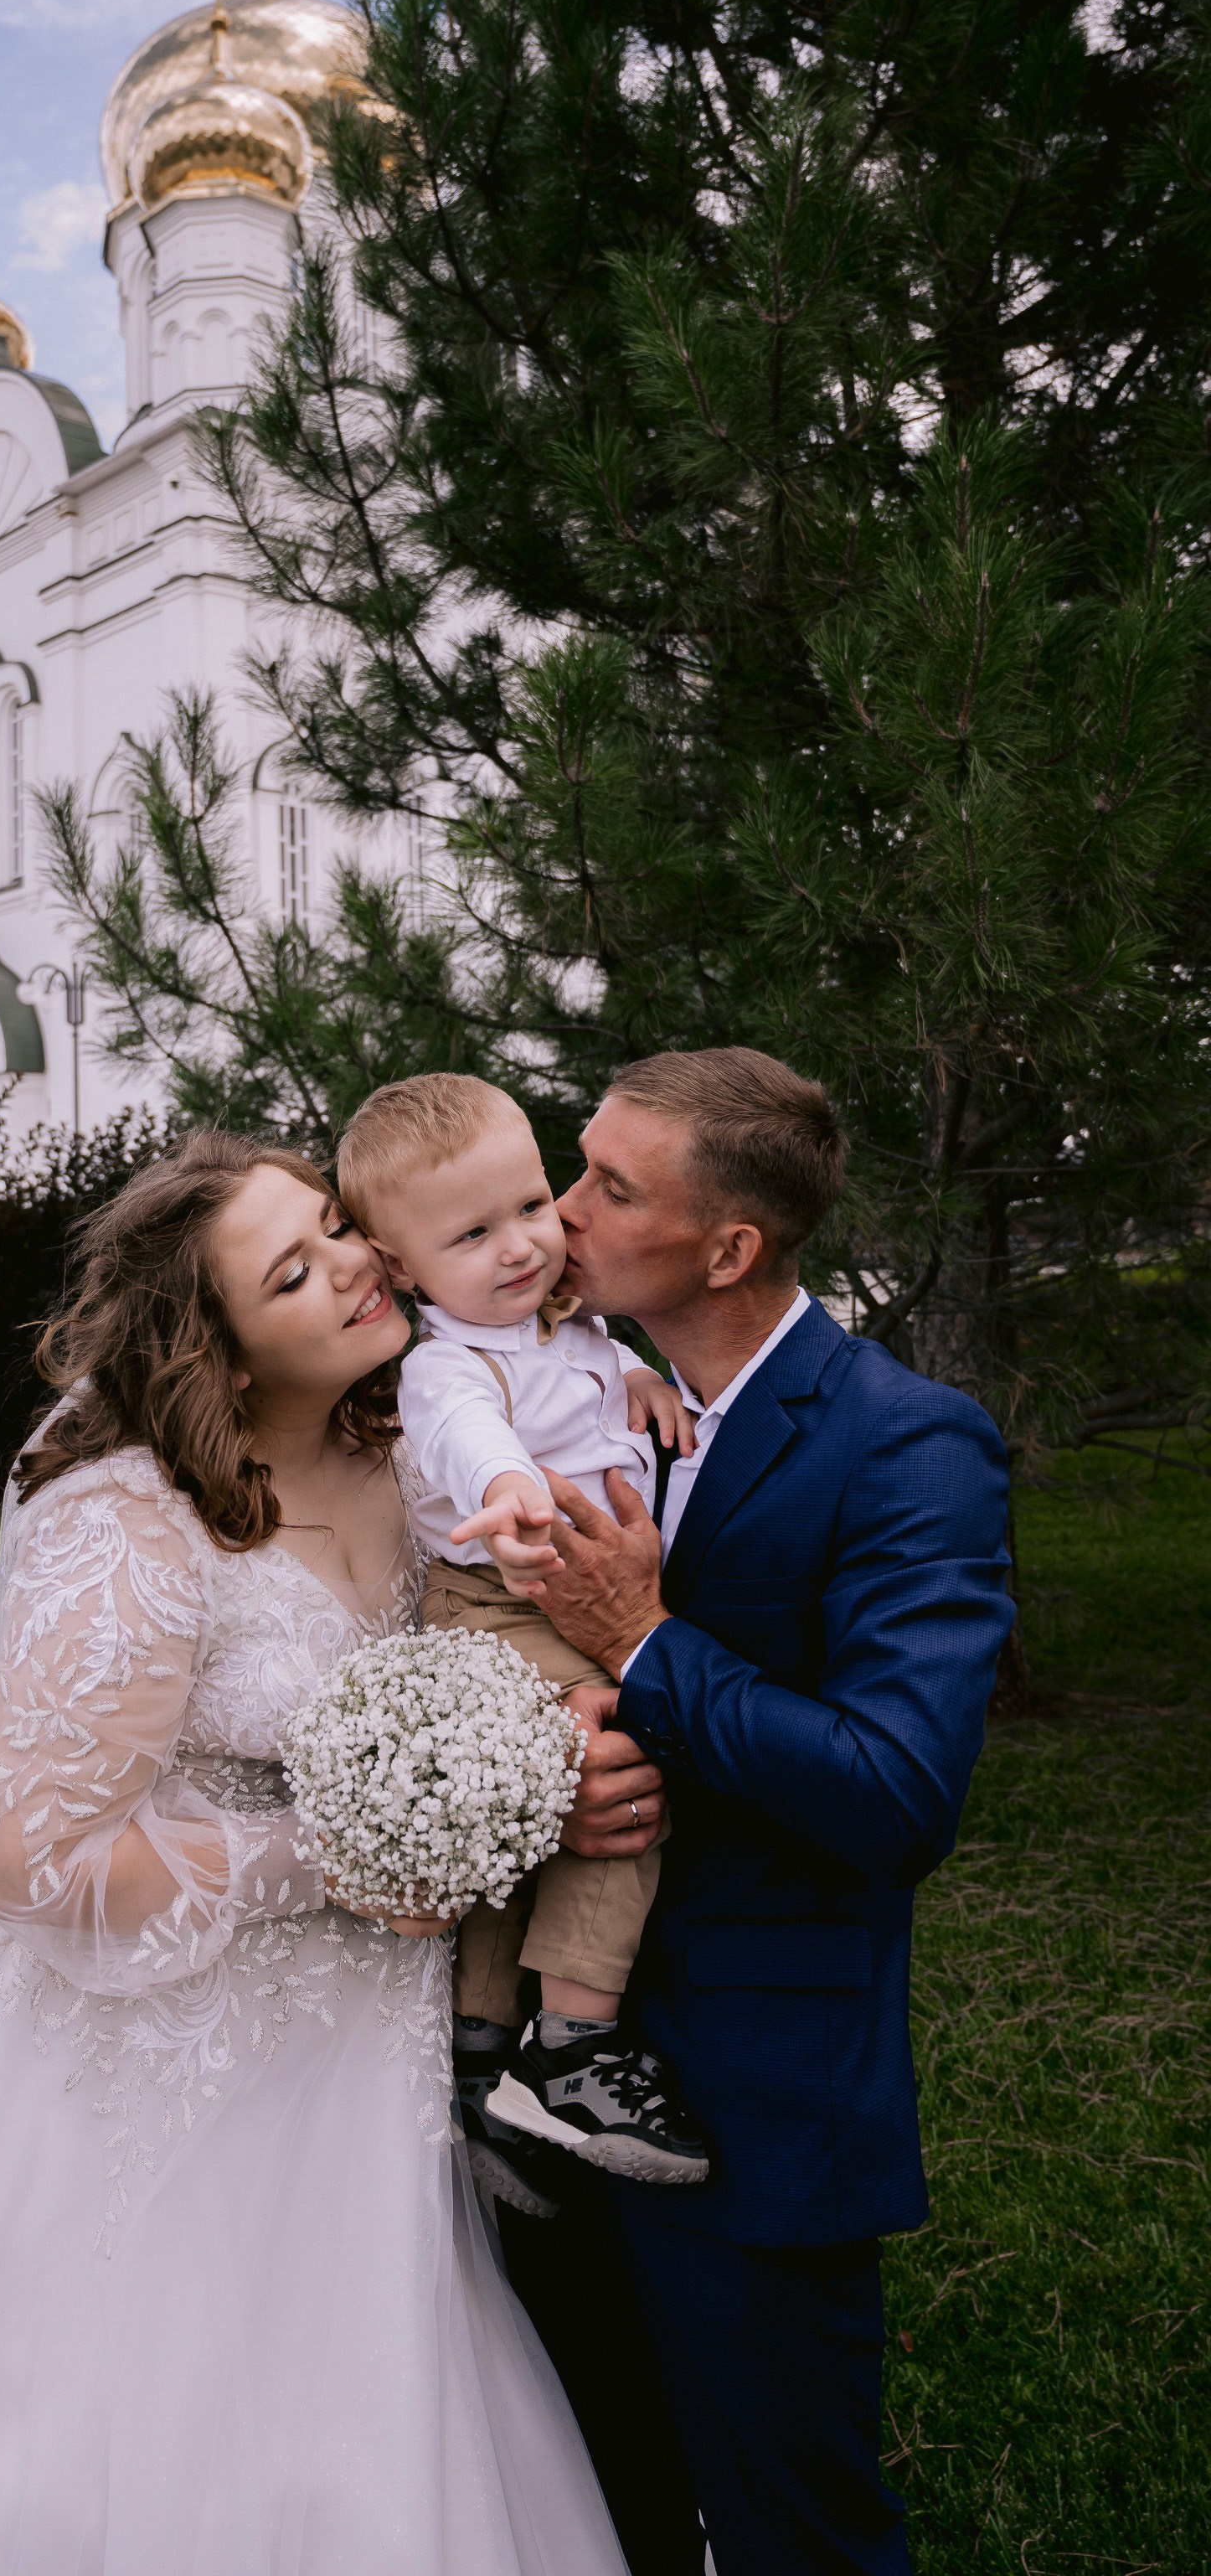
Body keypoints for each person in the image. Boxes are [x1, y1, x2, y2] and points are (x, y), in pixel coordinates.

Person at [0, 1131, 636, 2576]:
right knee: (109, 2418)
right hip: (136, 2034)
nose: (356, 1265)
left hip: (362, 2039)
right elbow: (28, 1855)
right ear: (217, 1350)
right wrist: (341, 1855)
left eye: (335, 1226)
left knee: (365, 2400)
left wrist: (535, 1772)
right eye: (294, 1274)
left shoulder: (418, 1443)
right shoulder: (128, 1517)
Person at [502, 1049, 1016, 2576]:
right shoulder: (564, 1395)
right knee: (600, 2513)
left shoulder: (906, 1442)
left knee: (797, 2531)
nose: (562, 1210)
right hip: (536, 2071)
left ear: (729, 1249)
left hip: (756, 2093)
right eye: (577, 1165)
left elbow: (895, 1791)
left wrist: (647, 1645)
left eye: (611, 1188)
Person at [336, 1071, 709, 2197]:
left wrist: (640, 1374)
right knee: (620, 1763)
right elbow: (469, 1433)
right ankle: (574, 2045)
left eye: (533, 1207)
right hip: (502, 1603)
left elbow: (583, 1371)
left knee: (519, 1817)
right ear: (402, 1268)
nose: (521, 1246)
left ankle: (482, 2046)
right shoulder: (448, 1364)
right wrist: (507, 1489)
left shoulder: (573, 1324)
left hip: (548, 1597)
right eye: (472, 1234)